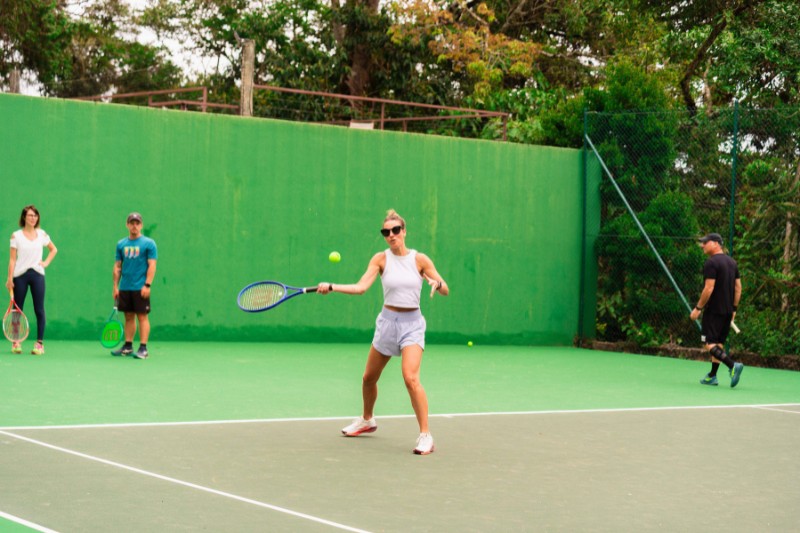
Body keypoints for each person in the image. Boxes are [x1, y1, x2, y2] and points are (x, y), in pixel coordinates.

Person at [316, 209, 449, 455]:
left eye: (395, 230)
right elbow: (360, 287)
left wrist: (437, 283)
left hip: (412, 324)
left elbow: (445, 289)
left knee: (410, 378)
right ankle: (367, 420)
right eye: (386, 232)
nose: (391, 235)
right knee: (368, 378)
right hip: (387, 322)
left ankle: (425, 435)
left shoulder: (420, 260)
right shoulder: (380, 259)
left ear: (404, 231)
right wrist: (332, 286)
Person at [689, 233, 744, 387]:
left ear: (715, 243)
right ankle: (712, 376)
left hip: (714, 311)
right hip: (727, 311)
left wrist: (698, 308)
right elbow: (738, 288)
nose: (702, 246)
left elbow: (708, 288)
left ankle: (733, 366)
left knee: (709, 343)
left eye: (705, 243)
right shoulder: (732, 263)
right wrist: (734, 309)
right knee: (718, 344)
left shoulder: (711, 263)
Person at [5, 205, 58, 355]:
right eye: (30, 215)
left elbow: (54, 249)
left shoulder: (42, 234)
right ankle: (16, 342)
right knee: (17, 310)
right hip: (20, 276)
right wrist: (9, 278)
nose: (33, 218)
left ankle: (39, 344)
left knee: (39, 309)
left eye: (35, 215)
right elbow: (12, 260)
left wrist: (46, 263)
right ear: (24, 218)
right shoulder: (16, 236)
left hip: (37, 275)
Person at [112, 212, 157, 359]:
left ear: (141, 225)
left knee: (142, 317)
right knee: (129, 317)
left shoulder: (149, 244)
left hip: (140, 288)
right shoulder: (121, 244)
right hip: (125, 288)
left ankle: (143, 348)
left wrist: (147, 285)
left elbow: (152, 265)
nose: (134, 226)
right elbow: (118, 266)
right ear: (127, 225)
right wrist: (115, 286)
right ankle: (128, 346)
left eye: (137, 223)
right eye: (132, 223)